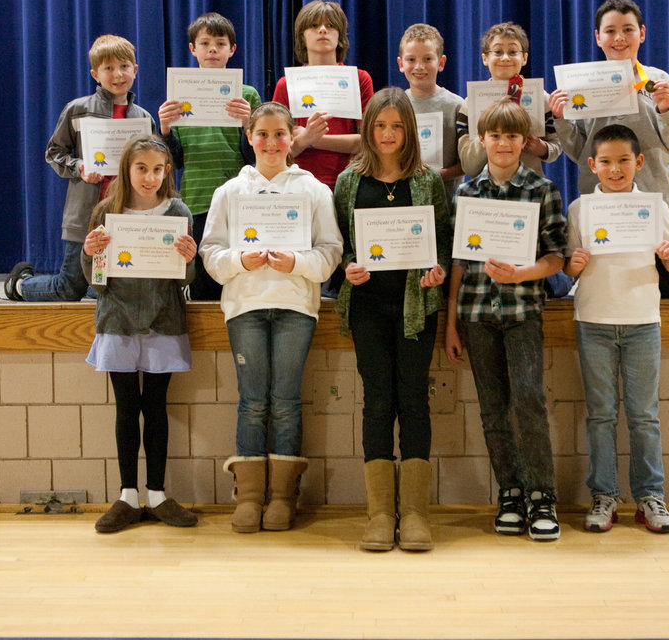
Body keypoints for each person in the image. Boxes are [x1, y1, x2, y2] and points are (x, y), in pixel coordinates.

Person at [200, 103, 342, 533]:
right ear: (249, 137)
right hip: (245, 308)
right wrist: (241, 260)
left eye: (280, 134)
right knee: (253, 402)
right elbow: (210, 252)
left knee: (284, 402)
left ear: (292, 137)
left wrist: (295, 263)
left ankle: (282, 496)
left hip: (296, 307)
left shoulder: (315, 191)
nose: (271, 143)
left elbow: (330, 252)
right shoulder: (228, 192)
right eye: (262, 134)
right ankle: (250, 496)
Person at [334, 87, 451, 552]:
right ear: (368, 128)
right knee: (378, 402)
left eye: (396, 126)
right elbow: (340, 243)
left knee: (414, 400)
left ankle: (416, 513)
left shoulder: (428, 180)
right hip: (367, 307)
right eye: (380, 126)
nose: (387, 134)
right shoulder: (347, 181)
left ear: (409, 131)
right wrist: (348, 265)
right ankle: (380, 513)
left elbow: (442, 240)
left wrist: (437, 270)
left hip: (415, 307)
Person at [445, 98, 566, 541]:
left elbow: (557, 258)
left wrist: (523, 273)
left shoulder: (542, 190)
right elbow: (459, 261)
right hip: (476, 313)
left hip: (522, 313)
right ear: (482, 139)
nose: (502, 143)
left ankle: (542, 495)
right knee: (493, 408)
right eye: (494, 135)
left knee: (529, 400)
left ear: (524, 142)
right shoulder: (466, 193)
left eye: (512, 136)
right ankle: (510, 492)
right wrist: (452, 323)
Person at [564, 124, 669, 533]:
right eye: (606, 162)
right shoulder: (580, 209)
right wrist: (573, 265)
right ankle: (604, 496)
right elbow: (567, 267)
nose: (615, 170)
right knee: (600, 415)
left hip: (642, 322)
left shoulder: (654, 207)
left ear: (639, 162)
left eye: (623, 161)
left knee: (643, 416)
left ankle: (651, 496)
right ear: (593, 165)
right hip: (594, 321)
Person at [81, 135, 198, 533]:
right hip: (117, 322)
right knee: (127, 408)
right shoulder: (105, 212)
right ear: (127, 169)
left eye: (158, 169)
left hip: (163, 322)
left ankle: (158, 495)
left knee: (157, 407)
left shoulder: (178, 211)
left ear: (168, 171)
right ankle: (128, 496)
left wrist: (188, 259)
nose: (150, 178)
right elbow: (97, 282)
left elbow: (185, 280)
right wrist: (91, 253)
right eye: (142, 169)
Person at [5, 35, 155, 301]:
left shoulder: (143, 118)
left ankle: (93, 285)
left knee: (111, 289)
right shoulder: (77, 110)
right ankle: (20, 285)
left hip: (126, 215)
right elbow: (54, 153)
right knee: (67, 289)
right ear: (95, 74)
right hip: (86, 215)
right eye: (108, 68)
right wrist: (80, 167)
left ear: (135, 70)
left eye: (124, 66)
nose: (117, 74)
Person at [549, 0, 669, 213]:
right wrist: (561, 120)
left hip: (654, 200)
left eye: (628, 29)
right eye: (610, 31)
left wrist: (666, 110)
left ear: (641, 33)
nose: (619, 38)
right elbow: (580, 152)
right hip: (599, 202)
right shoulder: (580, 85)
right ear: (598, 37)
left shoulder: (659, 81)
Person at [158, 12, 262, 300]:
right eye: (204, 43)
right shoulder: (179, 94)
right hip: (197, 198)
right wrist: (165, 129)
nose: (213, 49)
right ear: (193, 50)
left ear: (233, 49)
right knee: (204, 284)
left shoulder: (248, 95)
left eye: (220, 43)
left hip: (239, 200)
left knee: (238, 279)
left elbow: (256, 157)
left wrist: (248, 125)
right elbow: (174, 161)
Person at [272, 0, 374, 191]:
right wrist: (303, 140)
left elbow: (368, 142)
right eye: (313, 25)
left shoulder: (360, 79)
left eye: (330, 25)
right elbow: (278, 152)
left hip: (349, 185)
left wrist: (313, 139)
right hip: (298, 185)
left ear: (340, 36)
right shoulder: (286, 84)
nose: (322, 30)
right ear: (302, 36)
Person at [456, 21, 561, 178]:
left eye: (512, 52)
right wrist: (491, 124)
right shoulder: (470, 104)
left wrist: (543, 149)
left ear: (524, 58)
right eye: (497, 52)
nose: (505, 58)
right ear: (485, 58)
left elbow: (557, 145)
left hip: (531, 189)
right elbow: (469, 165)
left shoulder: (541, 99)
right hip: (485, 191)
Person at [397, 23, 464, 201]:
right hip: (403, 203)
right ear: (401, 64)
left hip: (446, 202)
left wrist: (440, 175)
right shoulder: (394, 106)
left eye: (427, 59)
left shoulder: (457, 106)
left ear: (441, 63)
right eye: (411, 60)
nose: (419, 66)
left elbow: (468, 163)